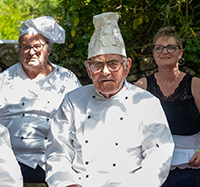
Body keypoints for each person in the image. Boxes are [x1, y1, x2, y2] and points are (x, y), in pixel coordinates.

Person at [45, 12, 174, 187]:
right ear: (88, 69)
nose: (105, 71)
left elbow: (159, 154)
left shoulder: (146, 103)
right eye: (97, 64)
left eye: (113, 63)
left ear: (126, 66)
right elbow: (57, 152)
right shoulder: (72, 101)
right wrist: (67, 184)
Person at [0, 16, 81, 183]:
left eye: (37, 46)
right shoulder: (4, 79)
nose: (31, 52)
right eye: (25, 47)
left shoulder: (66, 79)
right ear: (18, 51)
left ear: (48, 50)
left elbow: (81, 118)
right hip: (11, 158)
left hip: (55, 157)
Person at [135, 26, 200, 187]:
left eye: (171, 47)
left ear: (181, 53)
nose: (165, 52)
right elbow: (132, 126)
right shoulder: (142, 86)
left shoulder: (195, 85)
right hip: (150, 161)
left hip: (189, 162)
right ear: (154, 53)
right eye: (159, 48)